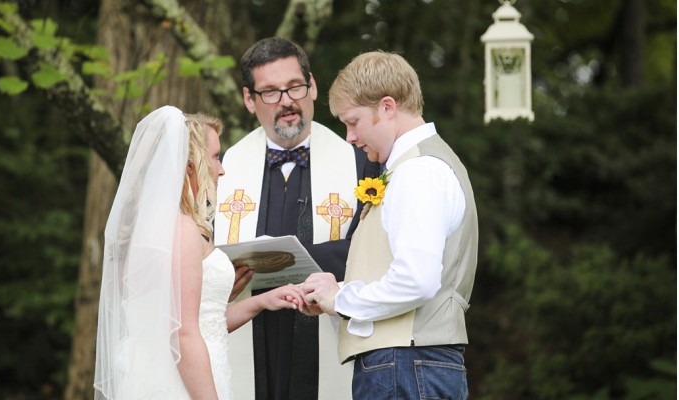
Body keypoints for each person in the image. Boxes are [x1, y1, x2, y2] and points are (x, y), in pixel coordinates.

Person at [93, 106, 307, 400]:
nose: (221, 169)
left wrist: (261, 301)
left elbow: (203, 322)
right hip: (182, 384)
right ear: (190, 164)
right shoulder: (181, 229)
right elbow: (183, 335)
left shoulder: (151, 225)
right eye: (216, 157)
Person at [300, 51, 479, 400]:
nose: (350, 136)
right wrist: (334, 292)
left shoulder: (419, 171)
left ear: (387, 107)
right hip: (410, 363)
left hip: (406, 364)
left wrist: (341, 299)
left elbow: (416, 281)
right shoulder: (415, 167)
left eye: (354, 122)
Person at [214, 37, 379, 399]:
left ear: (313, 86)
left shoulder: (361, 165)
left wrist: (297, 261)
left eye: (294, 87)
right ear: (248, 99)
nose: (286, 101)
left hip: (325, 328)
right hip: (251, 332)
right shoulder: (222, 170)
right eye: (270, 92)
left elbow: (372, 249)